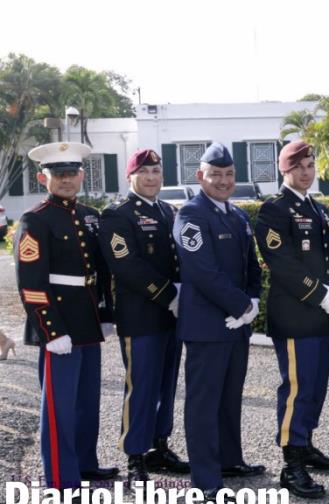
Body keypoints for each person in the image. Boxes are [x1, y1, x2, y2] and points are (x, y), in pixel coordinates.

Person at [14, 142, 118, 488]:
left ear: (81, 176)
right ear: (45, 178)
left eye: (71, 173)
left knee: (88, 401)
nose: (66, 180)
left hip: (88, 319)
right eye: (58, 174)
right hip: (59, 325)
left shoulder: (90, 215)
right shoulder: (35, 219)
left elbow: (102, 270)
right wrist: (51, 330)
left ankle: (86, 463)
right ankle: (60, 479)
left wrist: (106, 311)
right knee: (59, 408)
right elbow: (31, 282)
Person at [173, 142, 264, 502]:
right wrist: (241, 305)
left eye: (228, 175)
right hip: (207, 326)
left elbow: (251, 266)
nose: (223, 181)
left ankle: (229, 460)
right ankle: (206, 478)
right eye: (216, 175)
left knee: (229, 398)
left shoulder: (237, 215)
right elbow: (203, 271)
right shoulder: (191, 215)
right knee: (203, 403)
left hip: (236, 323)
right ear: (200, 176)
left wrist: (253, 300)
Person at [254, 141, 329, 499]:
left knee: (317, 387)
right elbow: (282, 263)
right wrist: (321, 293)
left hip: (320, 316)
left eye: (309, 165)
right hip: (295, 315)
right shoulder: (274, 210)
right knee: (297, 388)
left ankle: (305, 443)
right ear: (284, 170)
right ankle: (291, 464)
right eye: (298, 167)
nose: (306, 172)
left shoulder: (318, 209)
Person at [98, 149, 190, 488]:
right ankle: (134, 454)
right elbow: (127, 266)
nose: (152, 177)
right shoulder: (117, 215)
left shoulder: (168, 210)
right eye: (144, 171)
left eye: (156, 171)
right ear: (130, 176)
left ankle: (159, 446)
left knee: (166, 385)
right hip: (142, 316)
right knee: (142, 386)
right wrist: (171, 295)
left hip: (173, 316)